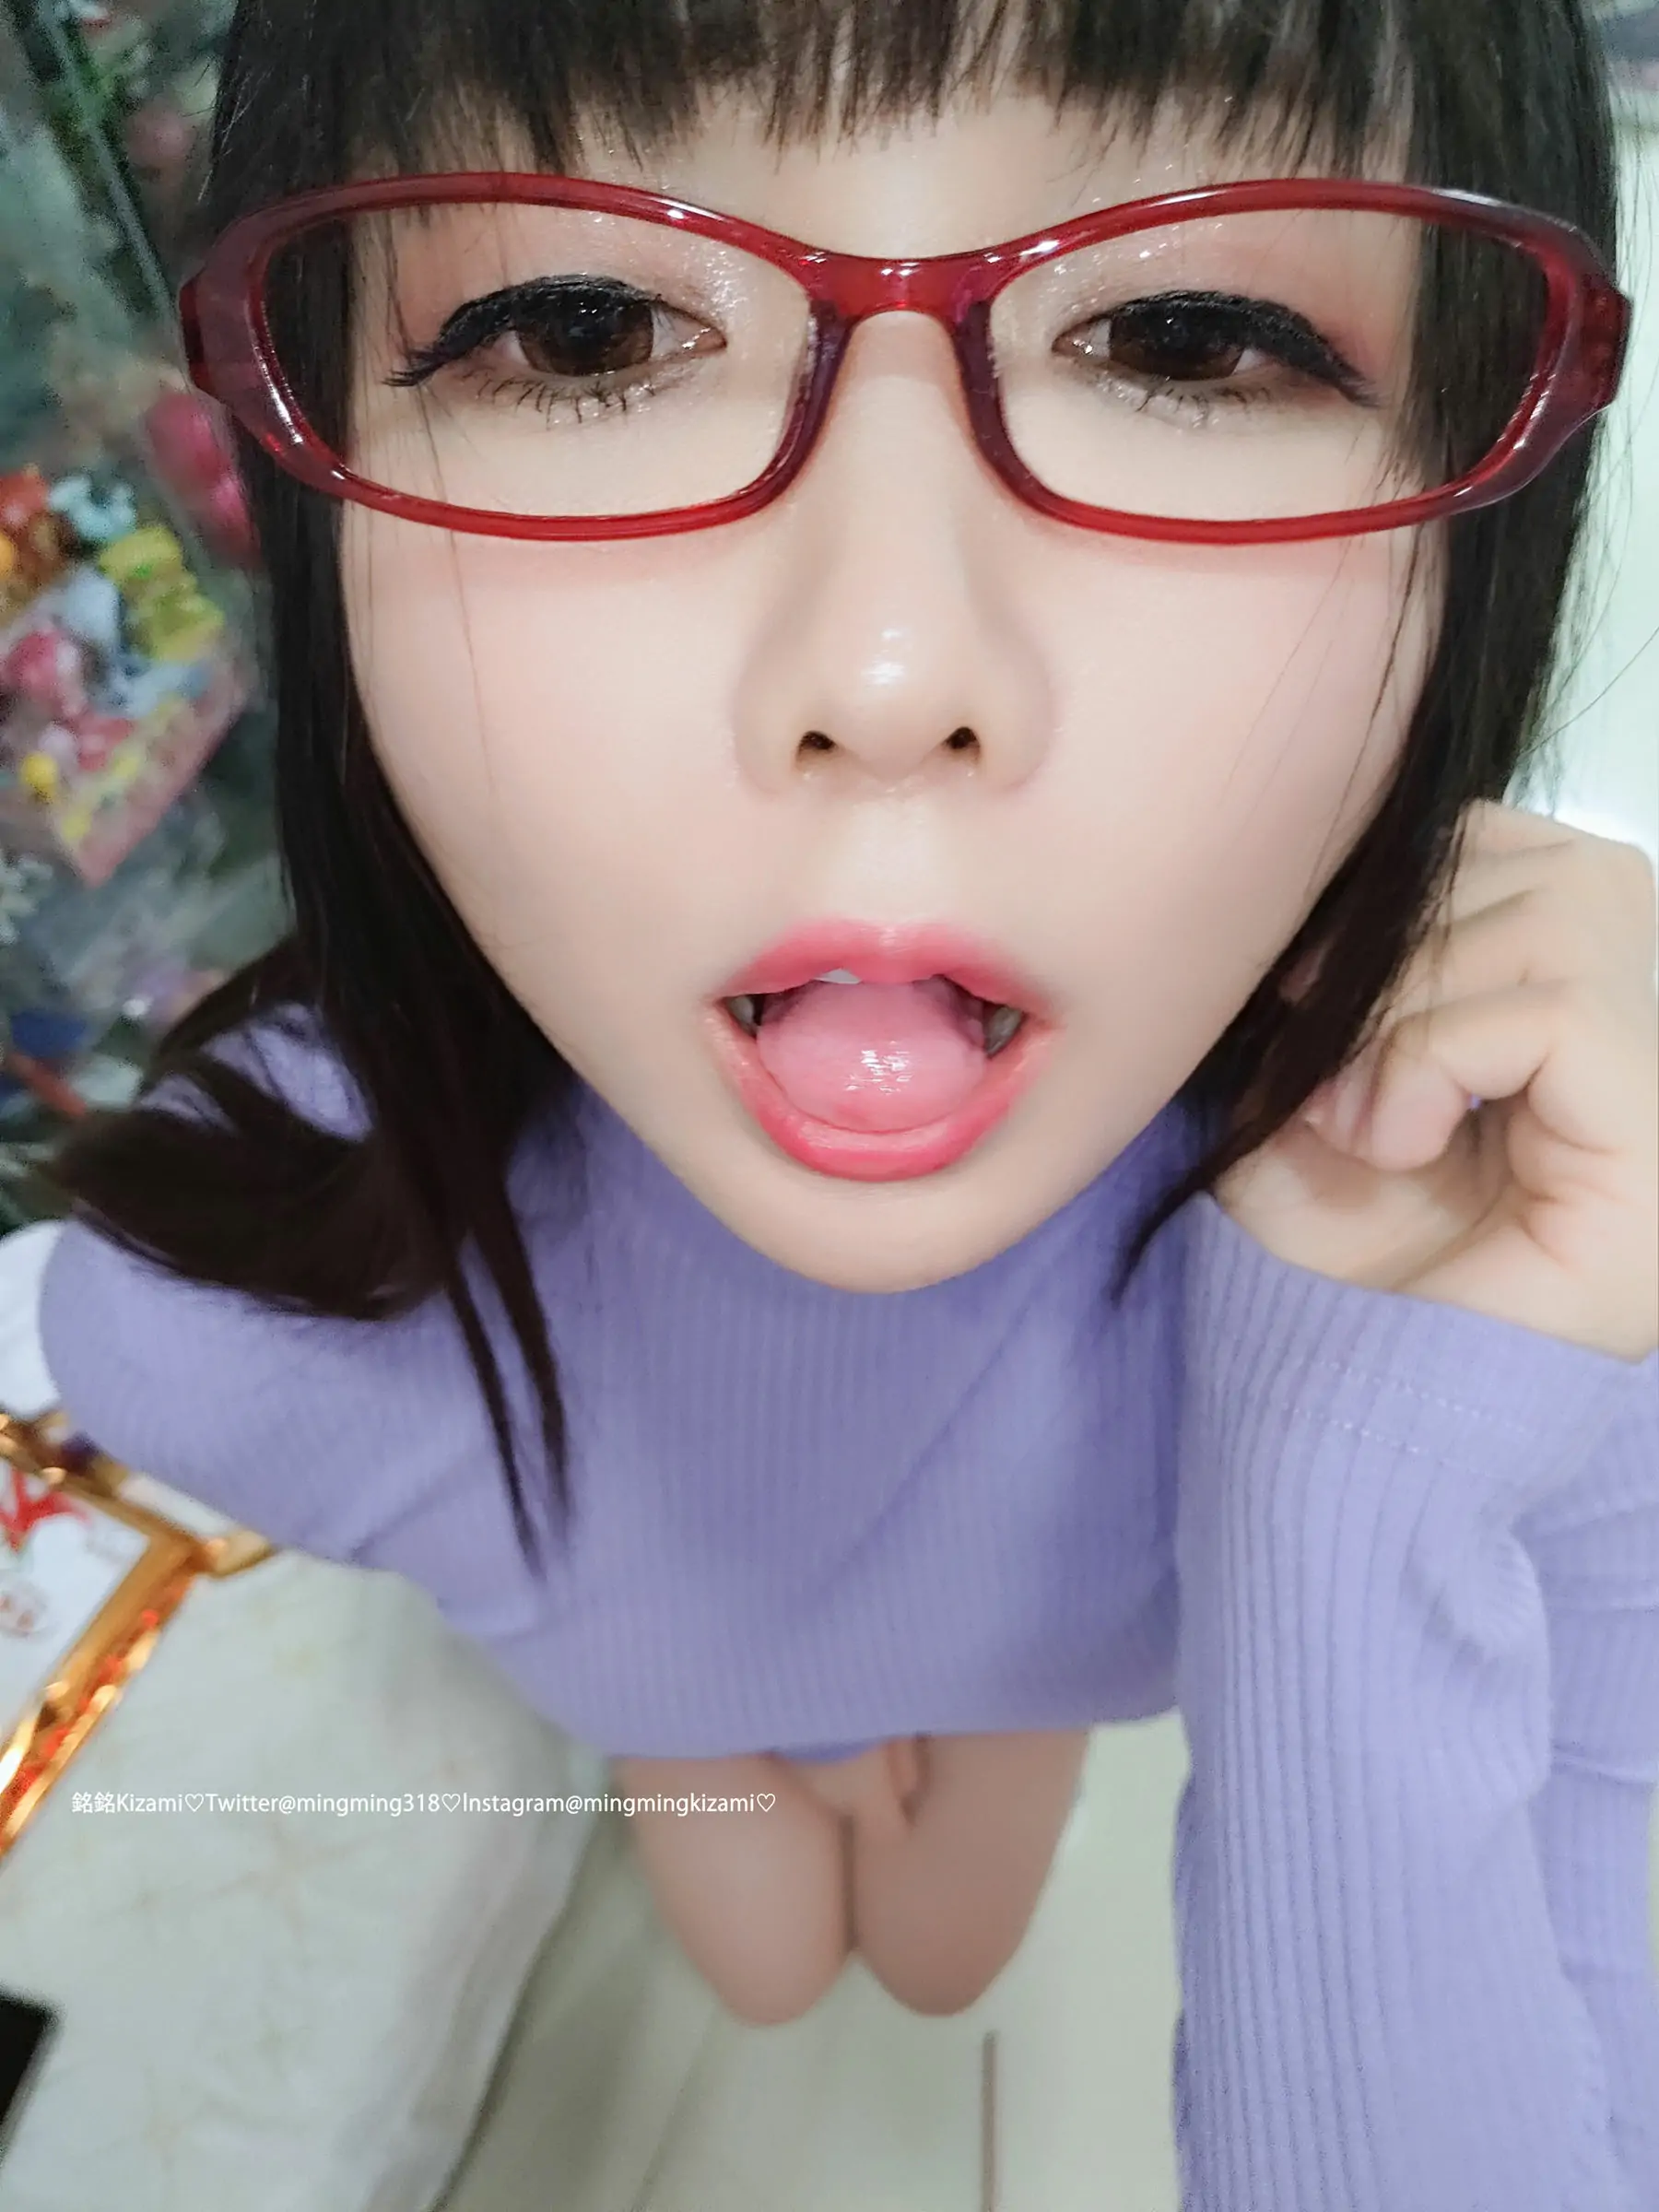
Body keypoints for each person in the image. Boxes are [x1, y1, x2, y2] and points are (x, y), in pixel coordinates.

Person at [36, 0, 1659, 2202]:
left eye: (1186, 340)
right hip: (694, 1716)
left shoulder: (1529, 1287)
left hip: (1031, 1677)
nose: (889, 674)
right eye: (584, 328)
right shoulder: (217, 1320)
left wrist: (1358, 1452)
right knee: (777, 1957)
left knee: (938, 1945)